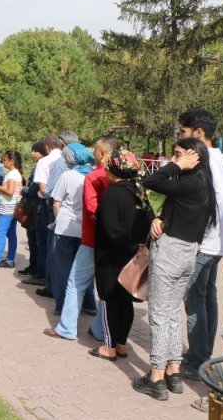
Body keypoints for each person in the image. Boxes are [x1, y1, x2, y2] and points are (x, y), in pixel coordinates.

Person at [134, 137, 217, 400]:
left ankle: (157, 376)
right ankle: (174, 370)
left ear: (195, 158)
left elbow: (149, 181)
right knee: (170, 314)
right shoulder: (203, 184)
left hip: (170, 251)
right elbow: (176, 209)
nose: (174, 158)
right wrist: (160, 219)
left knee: (159, 314)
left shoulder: (189, 181)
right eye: (174, 154)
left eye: (179, 154)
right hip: (187, 252)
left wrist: (176, 166)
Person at [176, 109, 223, 380]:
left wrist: (202, 226)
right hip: (215, 242)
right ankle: (203, 355)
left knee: (194, 300)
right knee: (207, 298)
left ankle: (197, 358)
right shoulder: (218, 157)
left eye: (183, 132)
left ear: (198, 133)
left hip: (205, 243)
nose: (180, 137)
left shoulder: (207, 158)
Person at [46, 136, 118, 342]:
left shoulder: (94, 176)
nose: (92, 152)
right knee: (105, 286)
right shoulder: (119, 176)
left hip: (91, 238)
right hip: (110, 241)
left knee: (75, 281)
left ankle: (67, 327)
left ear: (103, 153)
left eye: (96, 149)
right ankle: (100, 329)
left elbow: (92, 208)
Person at [88, 149, 154, 362]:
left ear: (116, 168)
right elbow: (150, 223)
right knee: (125, 301)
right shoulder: (139, 193)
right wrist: (137, 247)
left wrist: (126, 245)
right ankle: (121, 344)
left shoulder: (112, 194)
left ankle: (109, 346)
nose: (105, 168)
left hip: (112, 256)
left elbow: (111, 228)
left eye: (108, 165)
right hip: (133, 258)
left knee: (108, 299)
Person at [45, 143, 95, 311]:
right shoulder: (93, 175)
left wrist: (59, 220)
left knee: (62, 269)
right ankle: (89, 304)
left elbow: (56, 203)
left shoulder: (68, 176)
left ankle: (63, 306)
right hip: (86, 229)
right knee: (85, 269)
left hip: (65, 228)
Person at [24, 134, 64, 285]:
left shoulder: (44, 161)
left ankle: (41, 275)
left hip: (45, 203)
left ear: (47, 147)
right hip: (64, 206)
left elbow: (42, 187)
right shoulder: (65, 160)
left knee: (43, 243)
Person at [17, 142, 48, 277]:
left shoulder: (41, 166)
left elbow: (34, 188)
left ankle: (36, 268)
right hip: (36, 206)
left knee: (34, 239)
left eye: (34, 151)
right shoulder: (43, 165)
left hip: (35, 206)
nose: (32, 153)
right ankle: (33, 266)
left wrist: (25, 190)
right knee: (33, 239)